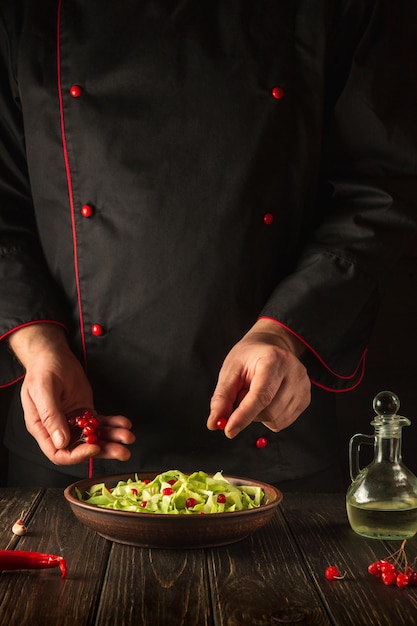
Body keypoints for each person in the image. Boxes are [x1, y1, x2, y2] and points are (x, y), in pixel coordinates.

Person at [0, 0, 416, 491]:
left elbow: (380, 188)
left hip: (275, 432)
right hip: (70, 440)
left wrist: (285, 335)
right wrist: (39, 347)